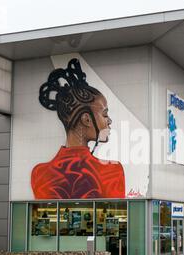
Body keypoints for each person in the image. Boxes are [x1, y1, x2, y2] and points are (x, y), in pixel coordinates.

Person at [31, 58, 125, 199]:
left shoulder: (40, 173)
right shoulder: (112, 172)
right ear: (86, 119)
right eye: (105, 114)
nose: (109, 121)